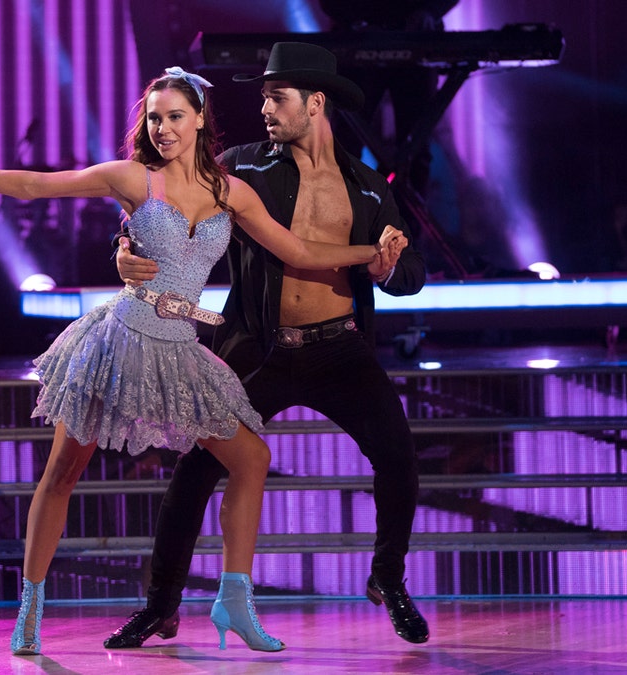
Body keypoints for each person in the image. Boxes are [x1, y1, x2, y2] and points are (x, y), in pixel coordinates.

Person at [0, 67, 399, 656]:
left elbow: (296, 249)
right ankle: (30, 606)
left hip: (179, 350)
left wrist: (375, 251)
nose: (162, 128)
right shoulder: (132, 178)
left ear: (199, 122)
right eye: (155, 118)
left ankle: (233, 601)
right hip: (117, 341)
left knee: (252, 458)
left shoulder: (230, 191)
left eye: (175, 117)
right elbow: (35, 185)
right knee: (62, 472)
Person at [104, 41, 431, 649]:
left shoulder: (365, 187)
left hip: (341, 351)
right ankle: (161, 607)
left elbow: (412, 273)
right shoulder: (243, 167)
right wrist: (126, 249)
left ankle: (388, 578)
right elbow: (159, 201)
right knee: (195, 471)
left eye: (276, 98)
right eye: (263, 99)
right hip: (258, 346)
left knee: (399, 459)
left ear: (315, 103)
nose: (265, 109)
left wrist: (387, 268)